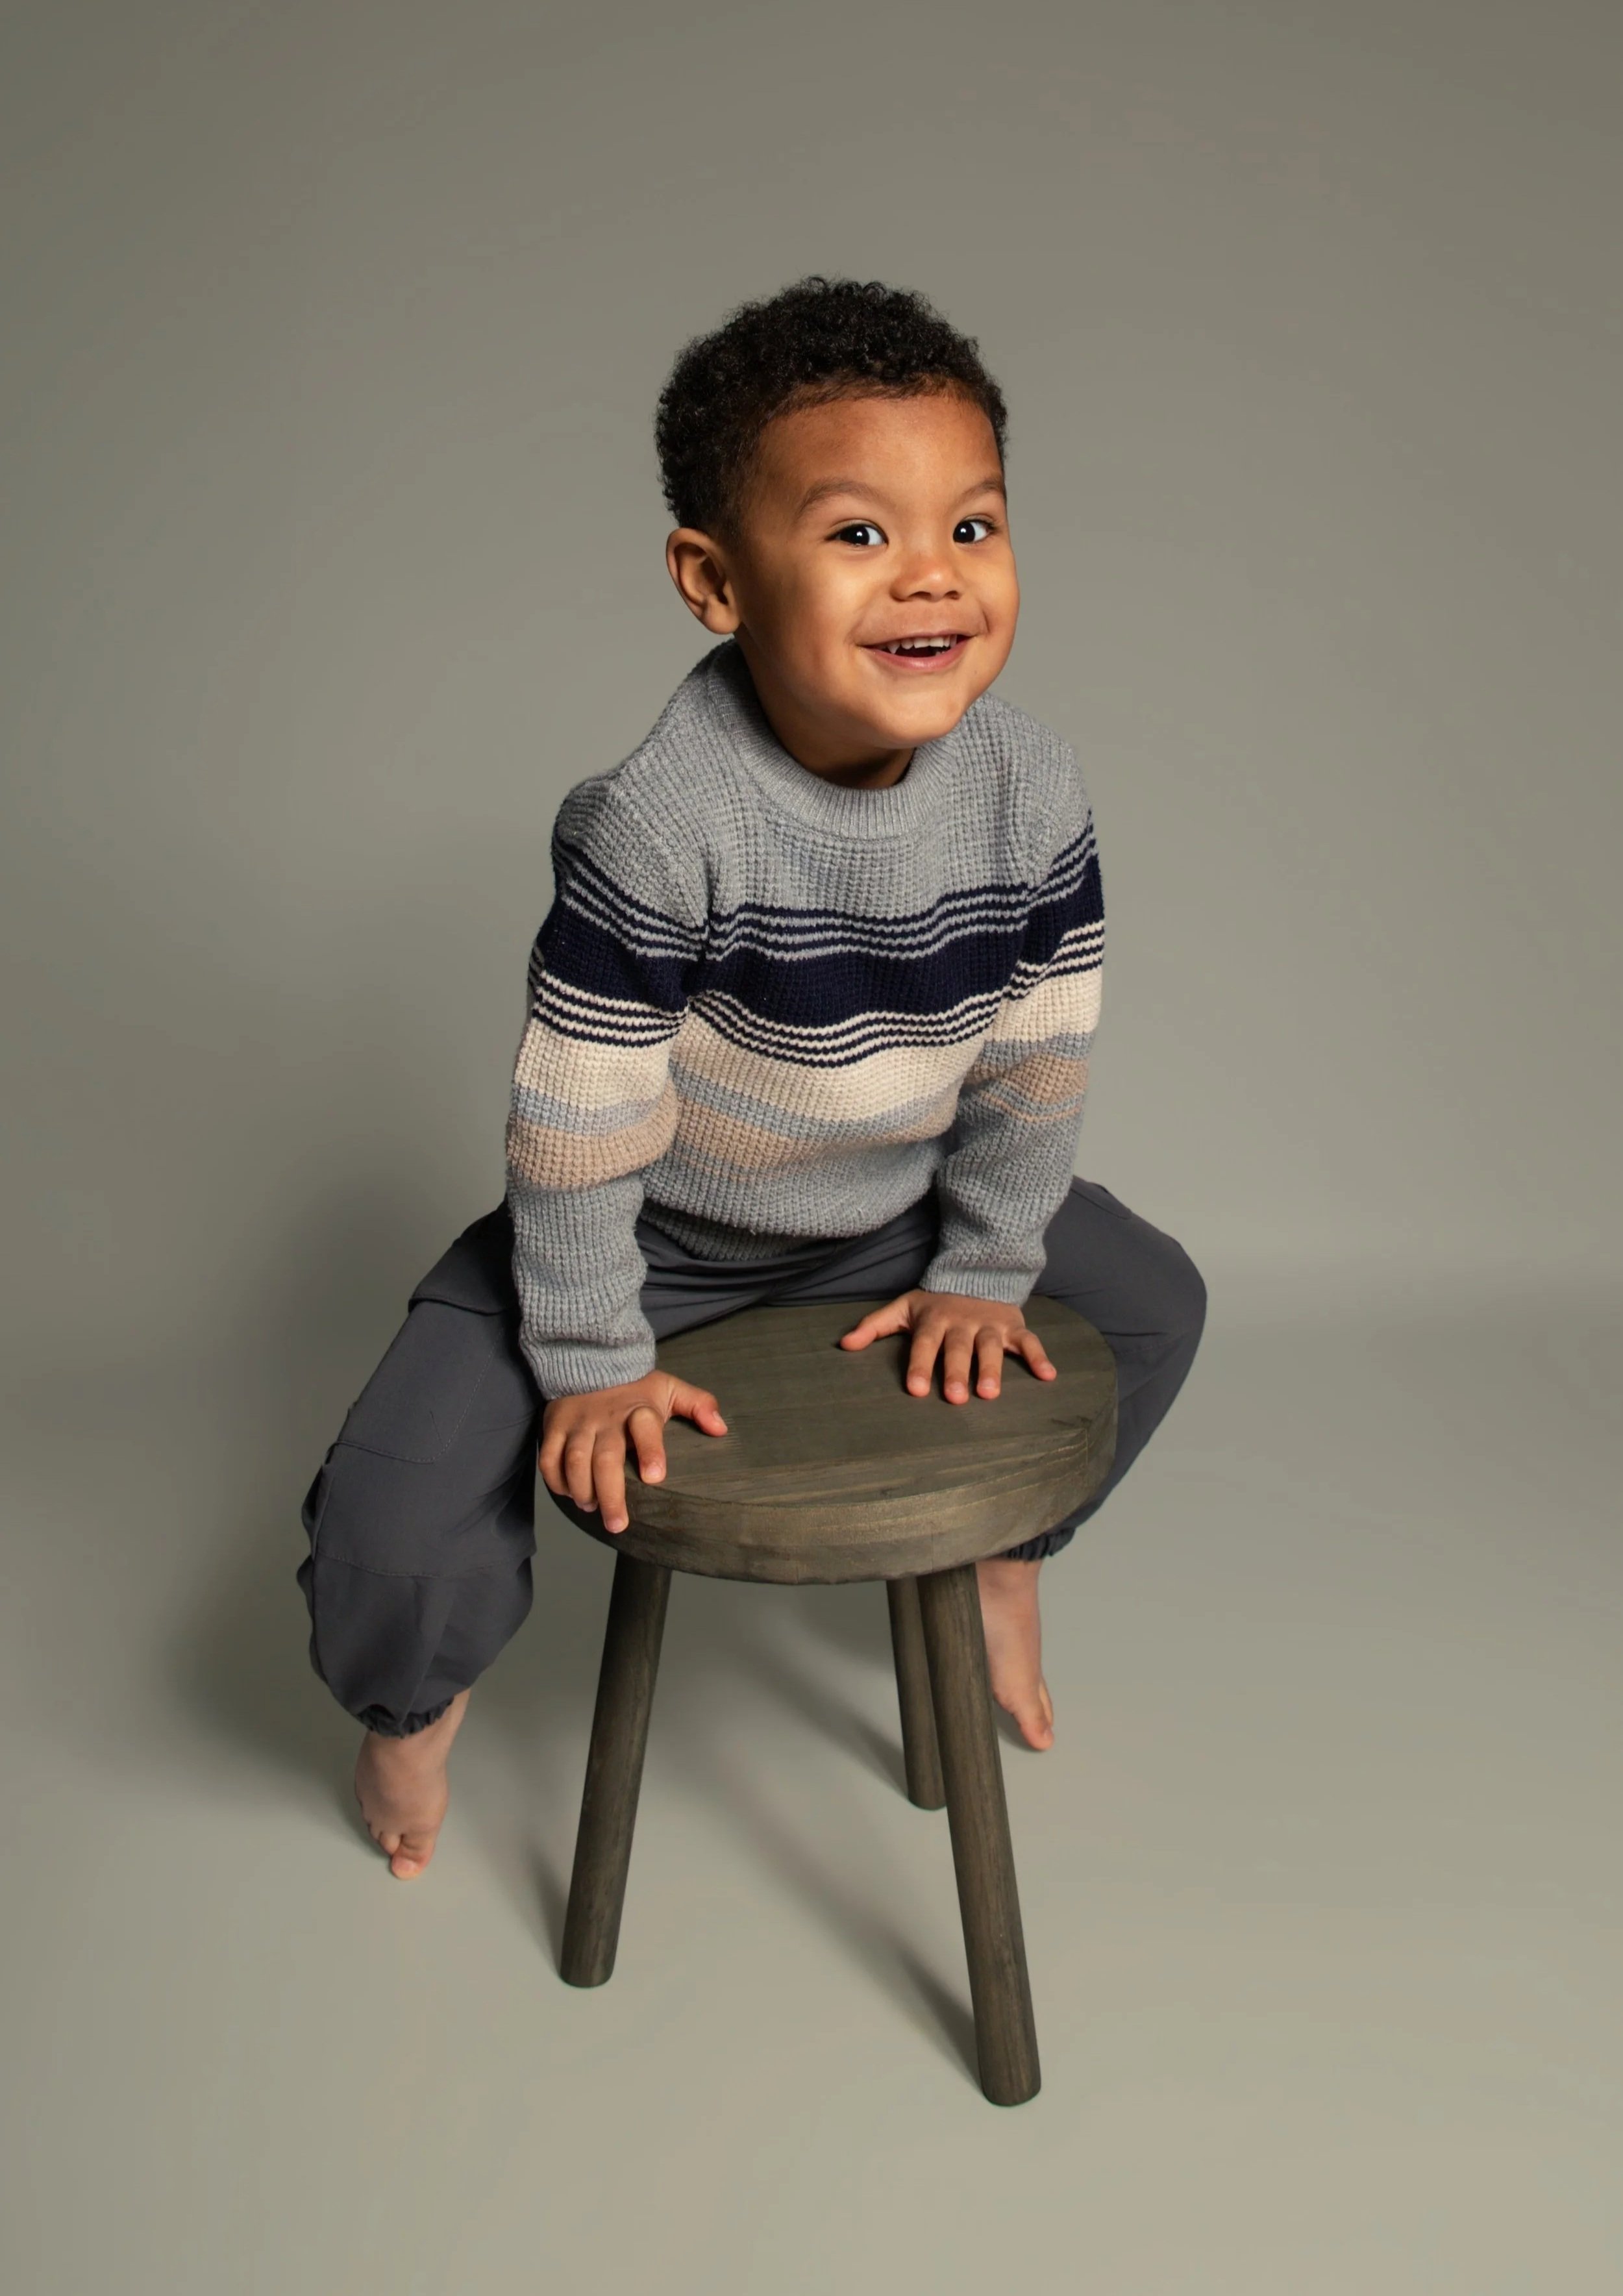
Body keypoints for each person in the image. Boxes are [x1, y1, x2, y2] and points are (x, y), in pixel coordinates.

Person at [298, 277, 1207, 1880]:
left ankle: (1010, 1552)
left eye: (974, 529)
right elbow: (573, 1131)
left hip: (892, 1212)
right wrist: (585, 1354)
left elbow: (1034, 1062)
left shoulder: (1031, 784)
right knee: (397, 1519)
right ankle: (406, 1713)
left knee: (1149, 1304)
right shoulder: (660, 821)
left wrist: (987, 1270)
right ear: (714, 581)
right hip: (650, 1240)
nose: (931, 574)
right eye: (858, 535)